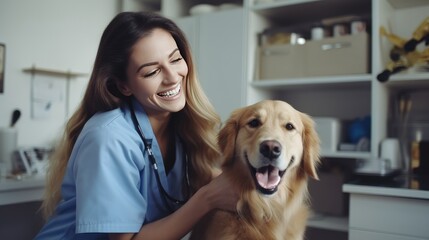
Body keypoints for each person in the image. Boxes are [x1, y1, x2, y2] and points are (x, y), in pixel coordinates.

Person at [35, 11, 238, 240]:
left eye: (175, 59)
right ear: (124, 86)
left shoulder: (180, 129)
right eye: (152, 71)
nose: (172, 77)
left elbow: (209, 177)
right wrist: (207, 199)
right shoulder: (109, 138)